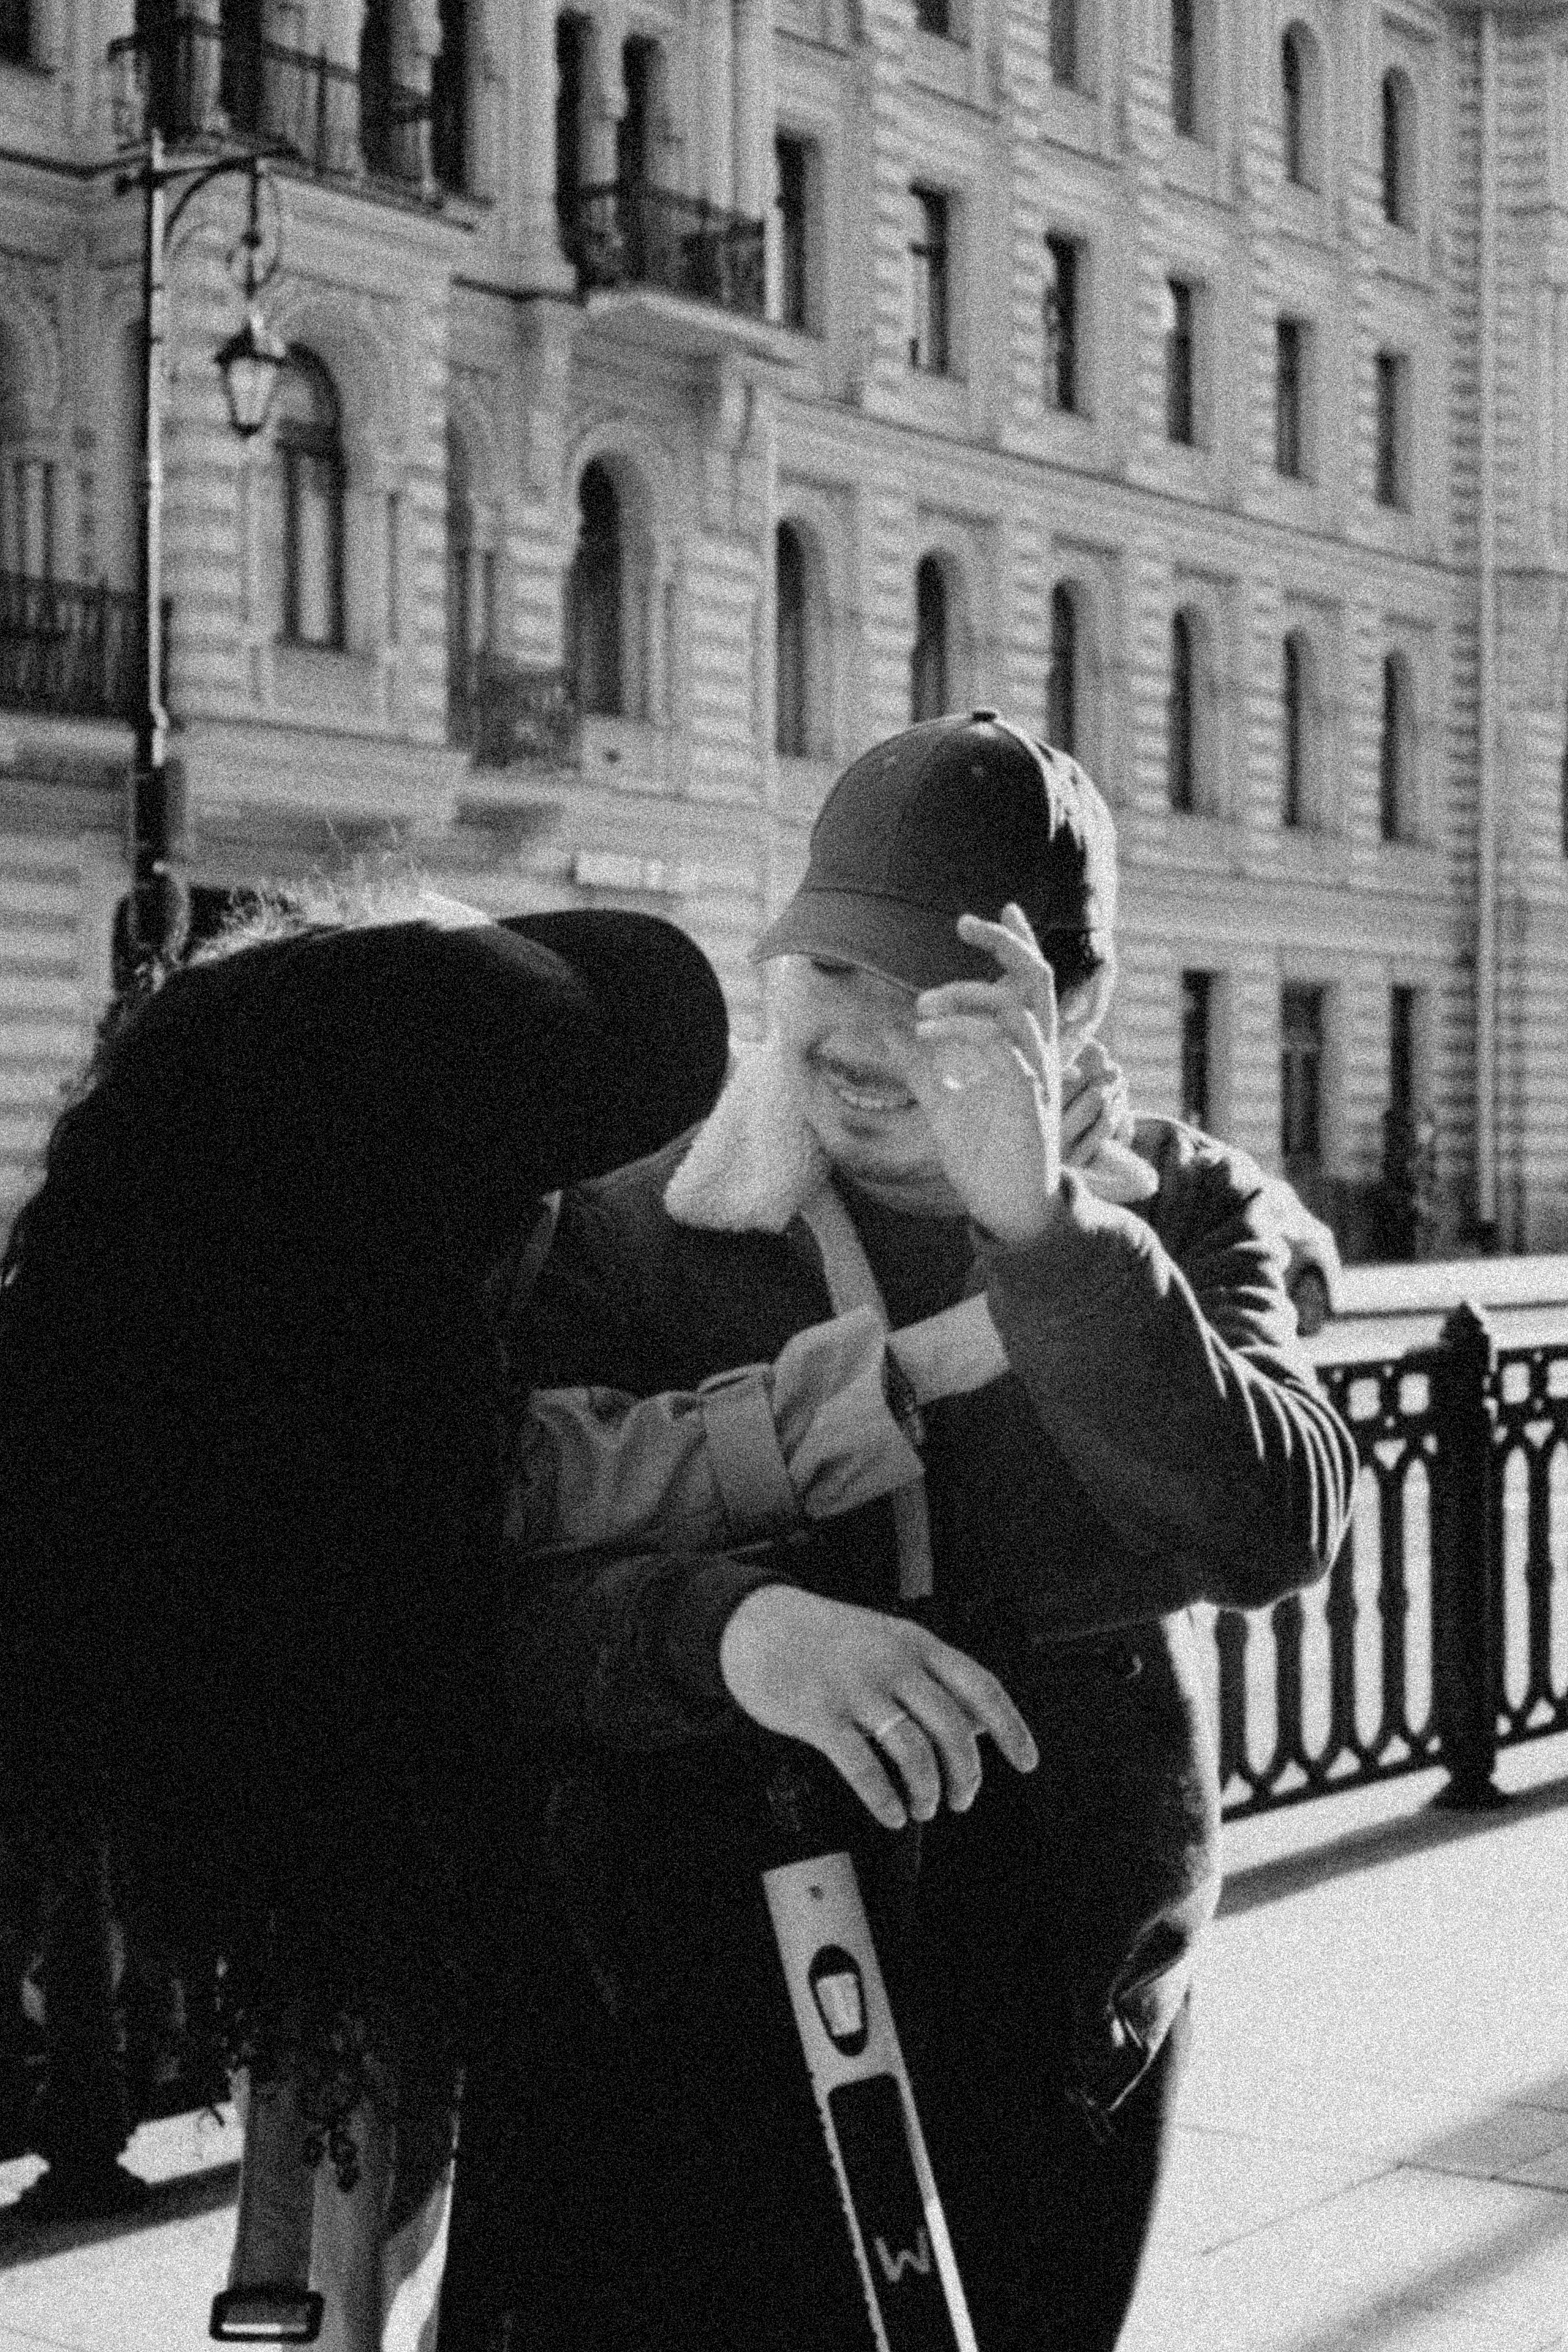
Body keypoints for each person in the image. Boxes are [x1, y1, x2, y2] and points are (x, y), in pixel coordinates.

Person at [448, 712, 1362, 2352]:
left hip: (1062, 2007)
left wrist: (1045, 1227)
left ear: (1063, 1008)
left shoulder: (1178, 1214)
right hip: (702, 2000)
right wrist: (733, 1634)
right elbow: (494, 1605)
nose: (856, 1040)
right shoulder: (641, 1227)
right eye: (826, 973)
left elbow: (1275, 1523)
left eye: (925, 992)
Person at [0, 884, 987, 2303]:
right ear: (412, 1224)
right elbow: (600, 1471)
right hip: (343, 1840)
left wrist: (934, 1362)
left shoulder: (197, 1378)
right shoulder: (360, 1444)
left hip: (291, 1829)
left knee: (330, 2151)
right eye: (524, 1194)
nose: (557, 1220)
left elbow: (603, 1464)